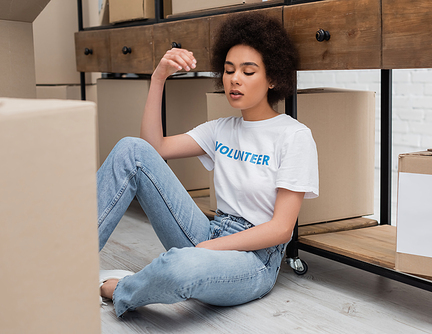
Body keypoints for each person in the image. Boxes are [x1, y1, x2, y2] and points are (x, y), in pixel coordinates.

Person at [98, 12, 319, 318]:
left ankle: (120, 289)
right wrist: (158, 78)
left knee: (181, 266)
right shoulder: (220, 129)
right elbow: (152, 148)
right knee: (130, 149)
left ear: (273, 78)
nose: (234, 79)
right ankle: (69, 263)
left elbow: (282, 229)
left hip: (254, 259)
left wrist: (204, 251)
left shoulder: (294, 136)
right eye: (228, 70)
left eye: (248, 71)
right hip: (210, 231)